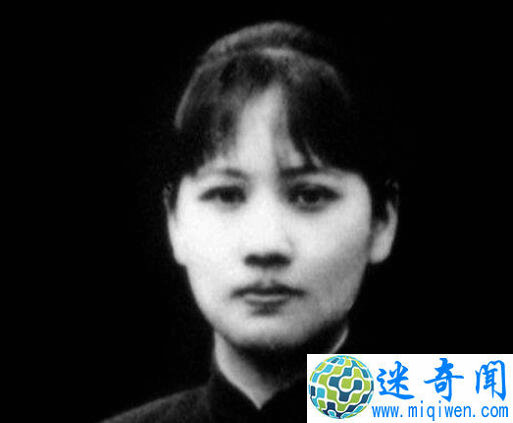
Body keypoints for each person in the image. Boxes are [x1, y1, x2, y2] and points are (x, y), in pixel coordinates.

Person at [103, 21, 398, 423]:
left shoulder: (461, 406)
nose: (265, 245)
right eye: (226, 195)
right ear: (174, 222)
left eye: (309, 195)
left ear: (382, 221)